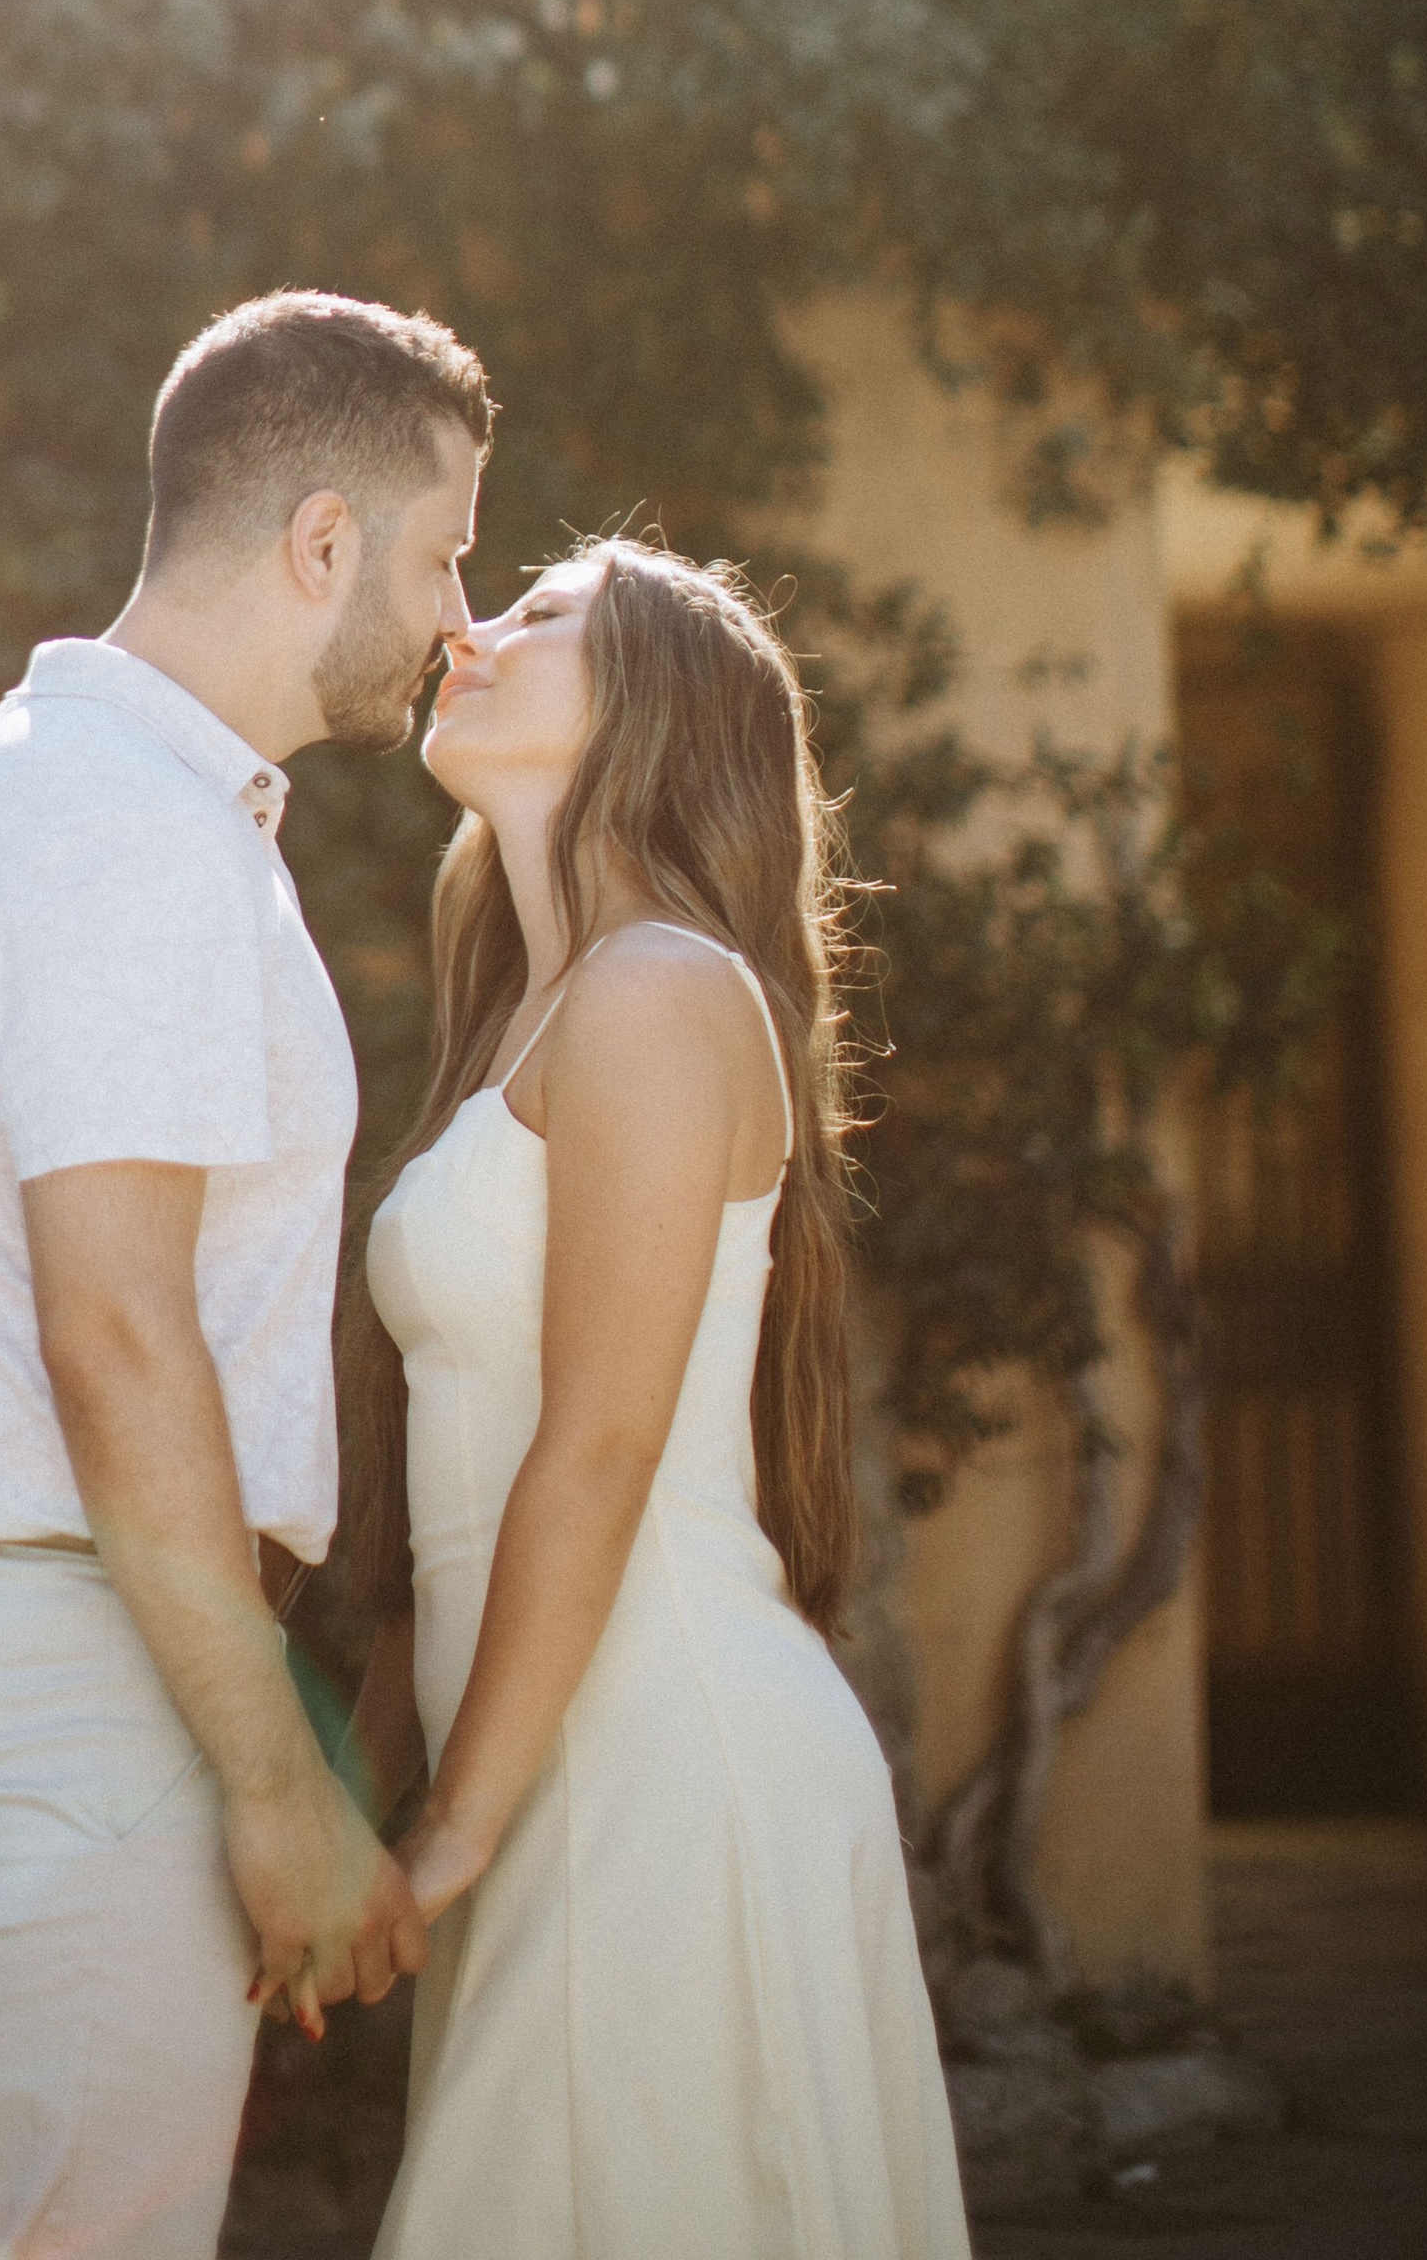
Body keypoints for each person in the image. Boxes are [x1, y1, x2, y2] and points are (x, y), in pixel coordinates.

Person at [0, 290, 494, 2260]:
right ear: (318, 541)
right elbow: (111, 1331)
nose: (465, 607)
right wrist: (276, 1780)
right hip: (61, 1689)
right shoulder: (124, 834)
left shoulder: (94, 790)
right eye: (446, 547)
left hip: (60, 1668)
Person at [342, 534, 971, 2260]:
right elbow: (449, 1489)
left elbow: (603, 1442)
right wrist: (362, 1795)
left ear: (659, 712)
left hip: (661, 1771)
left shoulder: (660, 992)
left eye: (543, 616)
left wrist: (452, 1830)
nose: (474, 629)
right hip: (542, 1762)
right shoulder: (532, 1018)